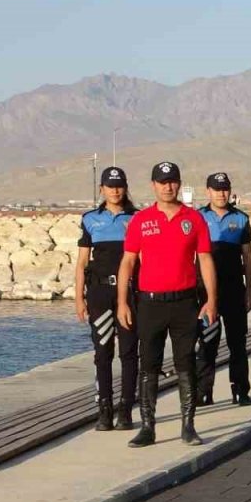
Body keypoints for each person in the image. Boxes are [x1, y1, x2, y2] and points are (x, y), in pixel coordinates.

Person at [117, 162, 218, 448]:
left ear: (179, 183)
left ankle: (188, 425)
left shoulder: (194, 219)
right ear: (153, 185)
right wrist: (122, 302)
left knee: (186, 363)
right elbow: (128, 261)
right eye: (162, 182)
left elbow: (206, 261)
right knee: (148, 364)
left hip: (185, 302)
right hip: (149, 303)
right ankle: (148, 427)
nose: (168, 186)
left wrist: (212, 300)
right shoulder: (141, 220)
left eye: (173, 181)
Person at [74, 166, 139, 431]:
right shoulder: (90, 219)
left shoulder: (136, 218)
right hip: (100, 294)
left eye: (119, 185)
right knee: (103, 353)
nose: (115, 190)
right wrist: (79, 298)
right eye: (110, 185)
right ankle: (104, 409)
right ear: (102, 189)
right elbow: (81, 263)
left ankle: (125, 410)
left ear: (125, 188)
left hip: (130, 293)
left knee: (129, 353)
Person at [196, 172, 251, 407]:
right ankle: (204, 391)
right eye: (216, 189)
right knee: (207, 342)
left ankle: (240, 390)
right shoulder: (197, 217)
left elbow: (248, 258)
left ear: (230, 191)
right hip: (205, 292)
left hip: (233, 290)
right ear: (207, 191)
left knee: (237, 343)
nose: (221, 193)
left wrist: (249, 291)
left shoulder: (240, 219)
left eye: (225, 189)